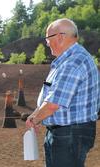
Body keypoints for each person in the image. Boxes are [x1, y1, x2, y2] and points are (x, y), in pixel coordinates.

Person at [26, 18, 100, 167]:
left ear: (60, 37)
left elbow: (53, 104)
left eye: (48, 38)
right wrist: (36, 114)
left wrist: (34, 120)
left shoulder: (73, 62)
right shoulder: (69, 60)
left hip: (69, 134)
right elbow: (51, 96)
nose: (46, 43)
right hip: (66, 133)